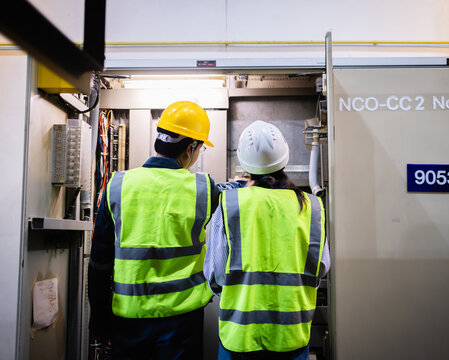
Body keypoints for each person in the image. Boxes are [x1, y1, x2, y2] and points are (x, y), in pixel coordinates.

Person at [88, 101, 239, 359]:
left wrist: (99, 321)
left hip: (127, 322)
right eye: (200, 149)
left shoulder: (118, 185)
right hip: (181, 324)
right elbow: (237, 197)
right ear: (191, 148)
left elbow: (99, 265)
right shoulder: (201, 188)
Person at [204, 120, 330, 359]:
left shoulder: (230, 204)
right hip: (291, 337)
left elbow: (215, 274)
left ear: (244, 163)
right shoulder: (312, 207)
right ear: (285, 157)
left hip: (239, 338)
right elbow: (320, 268)